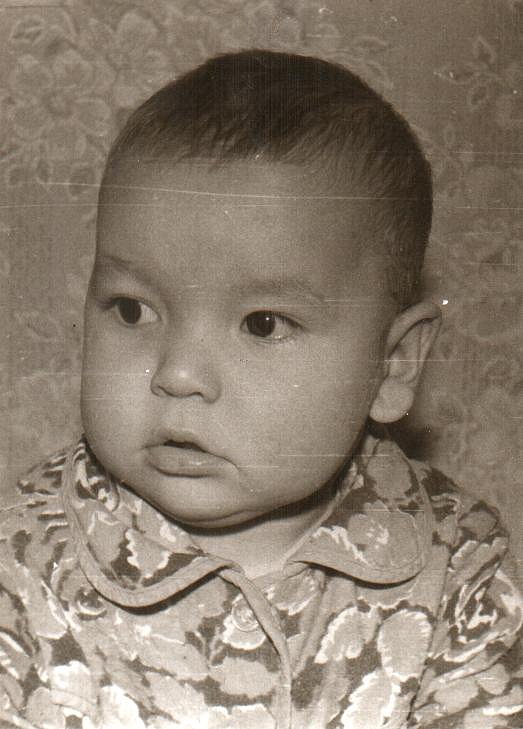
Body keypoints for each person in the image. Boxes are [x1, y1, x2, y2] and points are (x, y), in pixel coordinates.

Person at [0, 50, 521, 729]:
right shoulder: (26, 556)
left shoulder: (458, 563)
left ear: (391, 364)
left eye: (262, 323)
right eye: (132, 310)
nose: (178, 374)